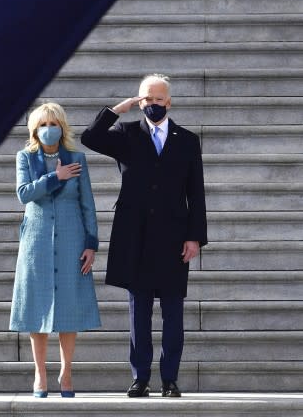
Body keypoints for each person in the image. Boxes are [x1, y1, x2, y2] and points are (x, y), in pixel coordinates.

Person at [80, 73, 207, 398]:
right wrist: (117, 110)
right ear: (140, 101)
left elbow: (197, 191)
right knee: (138, 314)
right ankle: (140, 378)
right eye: (146, 99)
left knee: (173, 314)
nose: (152, 105)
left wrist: (195, 237)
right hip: (134, 237)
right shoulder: (126, 133)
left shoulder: (187, 140)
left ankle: (170, 379)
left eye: (158, 99)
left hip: (174, 238)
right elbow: (90, 138)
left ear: (169, 101)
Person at [9, 102, 101, 398]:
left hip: (72, 236)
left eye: (54, 124)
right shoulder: (25, 157)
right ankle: (40, 373)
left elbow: (87, 203)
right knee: (37, 305)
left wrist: (91, 243)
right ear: (35, 130)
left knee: (68, 305)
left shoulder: (77, 159)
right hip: (36, 239)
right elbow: (24, 194)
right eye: (43, 125)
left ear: (63, 127)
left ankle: (67, 371)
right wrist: (55, 178)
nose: (49, 130)